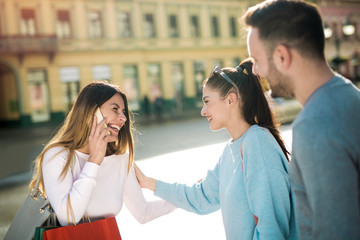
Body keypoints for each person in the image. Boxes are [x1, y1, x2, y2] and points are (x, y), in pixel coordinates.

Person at [135, 59, 298, 239]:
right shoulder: (230, 151)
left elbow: (272, 229)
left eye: (207, 101)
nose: (203, 111)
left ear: (230, 99)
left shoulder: (257, 143)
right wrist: (148, 183)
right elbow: (200, 196)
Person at [243, 0, 360, 239]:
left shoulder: (315, 125)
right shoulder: (349, 96)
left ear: (282, 56)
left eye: (256, 60)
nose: (255, 71)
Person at [29, 81, 176, 228]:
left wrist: (190, 197)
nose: (123, 118)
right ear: (91, 112)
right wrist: (94, 161)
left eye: (123, 112)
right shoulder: (58, 155)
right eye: (115, 109)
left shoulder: (121, 159)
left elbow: (144, 212)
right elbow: (69, 218)